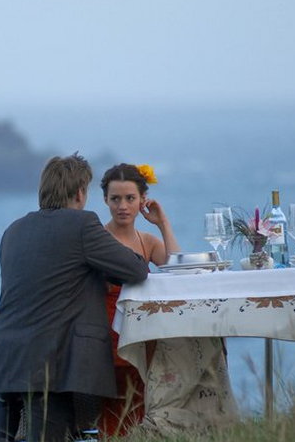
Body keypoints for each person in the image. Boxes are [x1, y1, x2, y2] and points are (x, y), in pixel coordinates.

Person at [0, 153, 150, 442]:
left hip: (5, 358)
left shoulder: (14, 230)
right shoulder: (81, 225)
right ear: (80, 193)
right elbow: (136, 269)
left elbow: (51, 277)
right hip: (56, 365)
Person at [98, 163, 180, 435]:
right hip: (105, 341)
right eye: (115, 199)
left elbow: (178, 270)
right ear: (105, 200)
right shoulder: (96, 239)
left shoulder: (148, 241)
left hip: (142, 338)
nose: (122, 205)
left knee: (142, 412)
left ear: (142, 200)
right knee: (111, 415)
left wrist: (163, 222)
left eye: (130, 198)